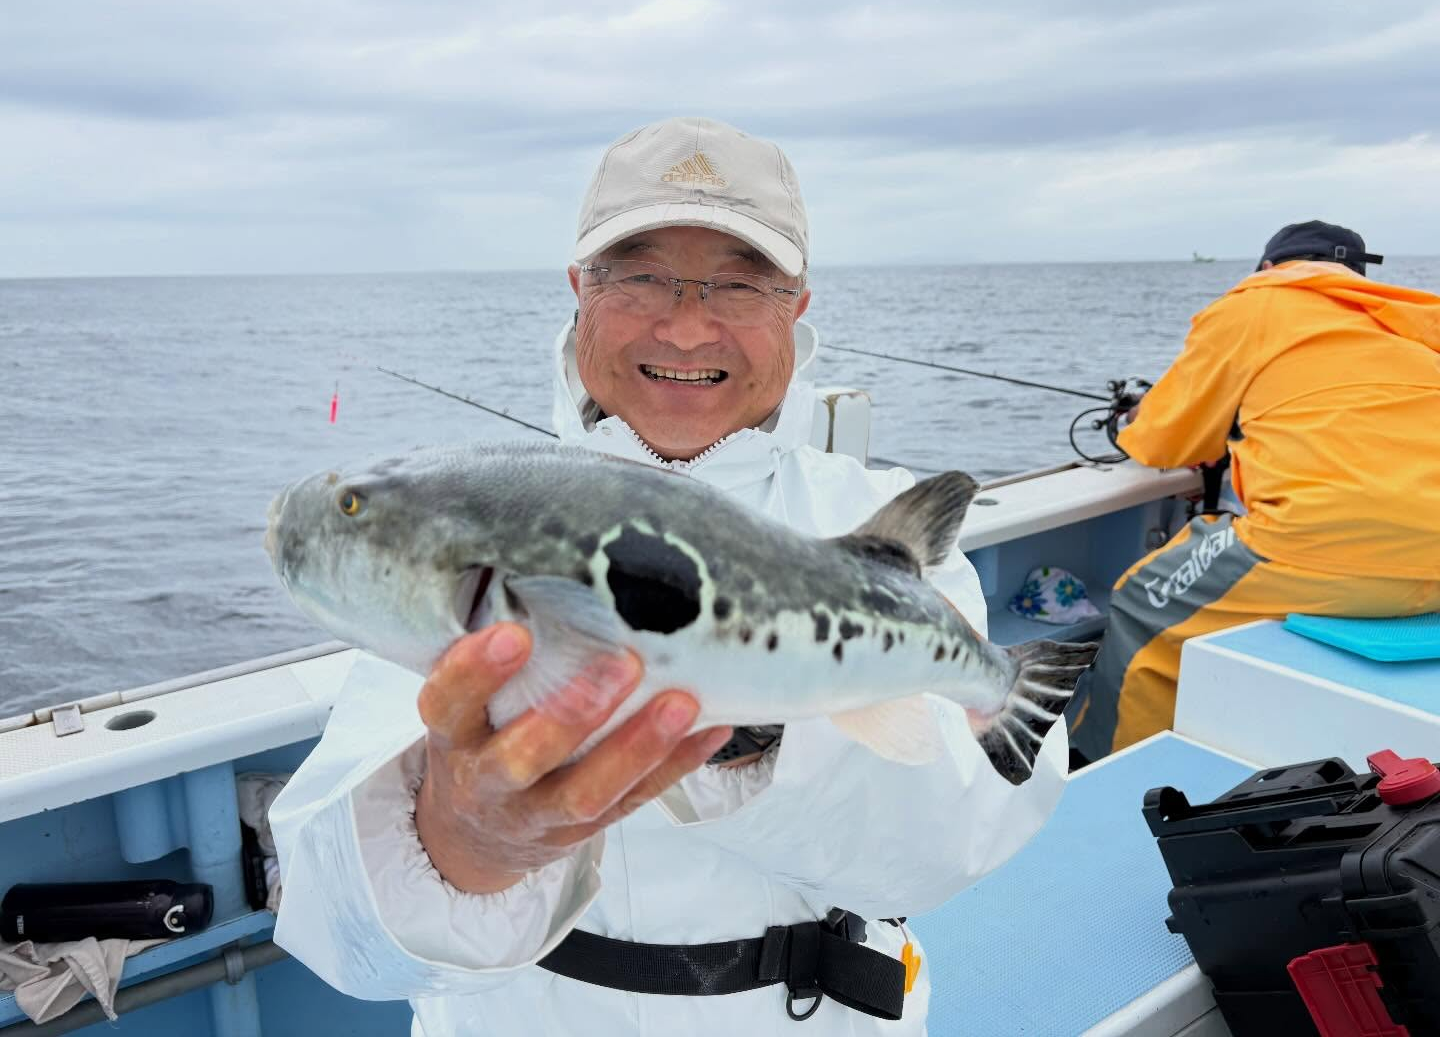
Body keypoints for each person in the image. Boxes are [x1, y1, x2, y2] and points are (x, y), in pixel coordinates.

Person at [269, 117, 1070, 1036]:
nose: (687, 326)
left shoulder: (872, 519)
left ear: (796, 306)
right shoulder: (480, 525)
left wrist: (750, 720)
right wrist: (458, 840)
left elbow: (956, 844)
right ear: (581, 290)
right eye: (641, 276)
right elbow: (341, 942)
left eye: (741, 282)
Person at [1069, 221, 1440, 762]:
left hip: (1326, 549)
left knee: (1142, 602)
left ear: (1268, 269)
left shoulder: (1256, 303)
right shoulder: (1410, 322)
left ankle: (1094, 766)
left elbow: (1165, 439)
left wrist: (1129, 420)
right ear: (1355, 277)